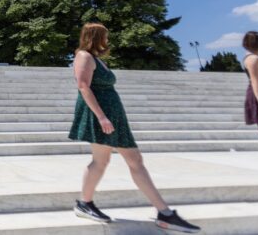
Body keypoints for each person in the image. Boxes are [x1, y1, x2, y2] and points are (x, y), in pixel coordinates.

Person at [69, 23, 200, 233]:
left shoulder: (96, 59)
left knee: (103, 161)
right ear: (96, 37)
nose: (108, 40)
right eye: (105, 36)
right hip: (102, 116)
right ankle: (164, 213)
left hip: (112, 116)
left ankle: (85, 203)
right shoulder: (84, 56)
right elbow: (83, 86)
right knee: (131, 160)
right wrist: (102, 117)